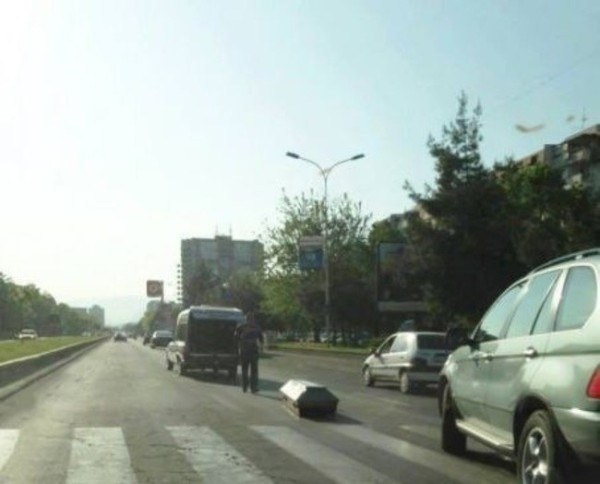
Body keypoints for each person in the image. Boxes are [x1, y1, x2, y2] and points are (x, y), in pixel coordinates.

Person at [235, 313, 263, 393]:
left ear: (246, 319)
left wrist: (238, 347)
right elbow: (261, 339)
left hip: (244, 351)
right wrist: (261, 349)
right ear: (253, 319)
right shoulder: (257, 327)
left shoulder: (241, 327)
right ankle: (253, 388)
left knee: (244, 370)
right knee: (254, 371)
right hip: (253, 351)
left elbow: (236, 337)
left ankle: (244, 387)